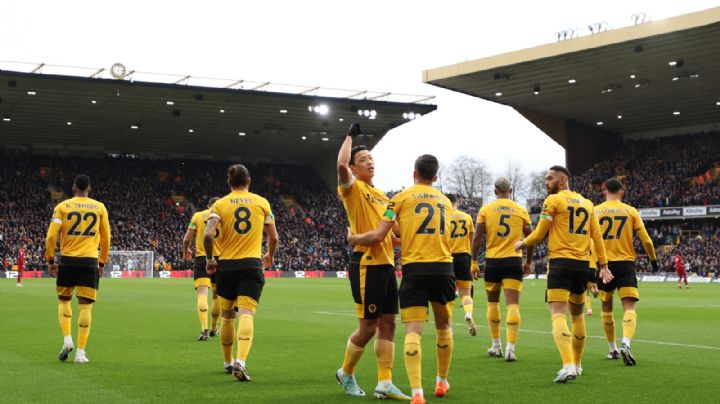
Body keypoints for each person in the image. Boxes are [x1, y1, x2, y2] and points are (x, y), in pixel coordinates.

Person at [349, 154, 454, 404]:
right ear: (435, 177)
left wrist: (355, 239)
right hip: (443, 268)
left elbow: (378, 235)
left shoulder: (400, 199)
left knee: (412, 330)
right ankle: (441, 381)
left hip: (415, 269)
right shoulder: (446, 202)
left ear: (413, 173)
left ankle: (417, 392)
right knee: (444, 326)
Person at [514, 166, 612, 382]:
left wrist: (522, 243)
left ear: (562, 180)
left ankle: (567, 364)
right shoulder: (588, 204)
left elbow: (539, 233)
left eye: (549, 179)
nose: (546, 182)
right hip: (582, 265)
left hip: (560, 264)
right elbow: (597, 236)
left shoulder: (553, 201)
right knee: (577, 315)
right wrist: (603, 265)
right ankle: (577, 365)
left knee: (558, 314)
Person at [334, 123, 409, 400]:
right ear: (355, 168)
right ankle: (345, 372)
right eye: (363, 160)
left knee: (389, 323)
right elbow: (341, 164)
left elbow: (395, 233)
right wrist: (350, 136)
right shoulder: (352, 190)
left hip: (387, 265)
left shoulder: (383, 196)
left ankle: (385, 382)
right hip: (366, 265)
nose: (369, 162)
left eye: (371, 159)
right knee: (368, 327)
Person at [204, 164, 279, 381]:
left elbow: (209, 235)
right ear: (249, 180)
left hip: (226, 266)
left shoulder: (220, 204)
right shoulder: (261, 202)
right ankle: (241, 361)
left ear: (230, 182)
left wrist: (210, 259)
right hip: (251, 265)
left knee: (228, 316)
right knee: (246, 313)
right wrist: (270, 255)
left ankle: (227, 363)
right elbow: (273, 237)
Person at [44, 174, 111, 364]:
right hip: (89, 261)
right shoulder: (99, 208)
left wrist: (50, 260)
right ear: (89, 189)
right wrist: (101, 263)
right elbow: (106, 239)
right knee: (85, 306)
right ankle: (80, 353)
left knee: (64, 300)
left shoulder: (62, 207)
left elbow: (51, 237)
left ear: (73, 188)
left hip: (67, 261)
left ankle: (67, 339)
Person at [594, 178, 658, 366]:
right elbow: (646, 239)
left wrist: (593, 268)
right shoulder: (631, 211)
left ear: (604, 190)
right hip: (625, 264)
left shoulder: (595, 211)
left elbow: (590, 241)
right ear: (622, 192)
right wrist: (653, 259)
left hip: (604, 265)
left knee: (606, 308)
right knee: (629, 307)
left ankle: (612, 349)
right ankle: (626, 342)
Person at [471, 177, 533, 361]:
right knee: (513, 304)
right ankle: (510, 348)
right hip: (513, 261)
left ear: (495, 190)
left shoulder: (486, 210)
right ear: (511, 190)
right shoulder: (520, 210)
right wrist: (528, 261)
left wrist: (474, 261)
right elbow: (531, 239)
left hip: (493, 261)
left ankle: (496, 345)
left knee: (493, 304)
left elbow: (477, 238)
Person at [183, 197, 221, 341]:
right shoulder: (223, 216)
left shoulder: (198, 216)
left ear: (208, 205)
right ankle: (213, 328)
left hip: (202, 258)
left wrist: (185, 251)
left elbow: (186, 239)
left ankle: (204, 329)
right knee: (217, 296)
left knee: (202, 295)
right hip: (220, 259)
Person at [447, 194, 477, 336]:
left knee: (449, 295)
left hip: (448, 257)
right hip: (464, 257)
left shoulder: (444, 216)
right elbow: (472, 239)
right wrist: (471, 260)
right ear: (456, 203)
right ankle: (468, 313)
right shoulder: (467, 217)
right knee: (465, 293)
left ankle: (448, 327)